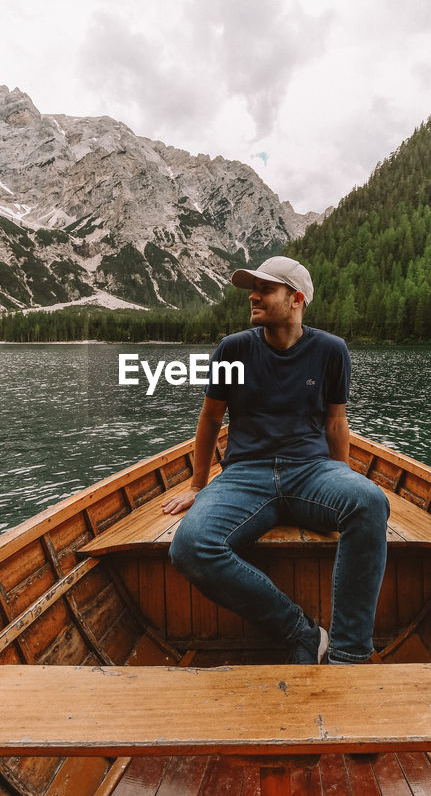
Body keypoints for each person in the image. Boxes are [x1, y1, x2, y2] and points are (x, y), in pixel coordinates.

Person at [163, 255, 389, 665]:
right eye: (253, 288)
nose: (253, 296)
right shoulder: (233, 349)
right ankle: (301, 632)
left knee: (370, 501)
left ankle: (349, 655)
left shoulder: (330, 350)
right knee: (190, 547)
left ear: (296, 298)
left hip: (312, 472)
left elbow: (336, 423)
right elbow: (211, 418)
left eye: (265, 288)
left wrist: (342, 475)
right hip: (244, 476)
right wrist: (198, 485)